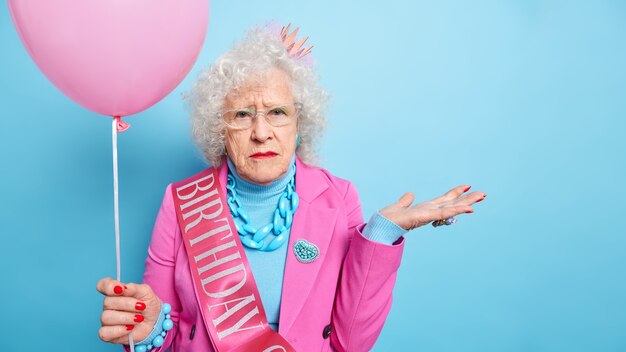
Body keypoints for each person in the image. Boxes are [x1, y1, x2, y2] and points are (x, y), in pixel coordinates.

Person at [96, 24, 486, 352]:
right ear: (219, 129)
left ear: (300, 124)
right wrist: (151, 331)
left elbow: (352, 342)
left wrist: (381, 233)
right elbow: (167, 336)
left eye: (277, 113)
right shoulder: (180, 202)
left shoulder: (338, 197)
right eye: (242, 115)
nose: (261, 132)